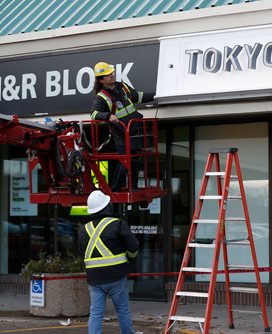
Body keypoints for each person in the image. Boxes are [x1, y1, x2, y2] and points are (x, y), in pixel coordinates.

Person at [78, 190, 139, 334]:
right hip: (117, 276)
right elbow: (134, 246)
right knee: (122, 310)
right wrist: (130, 258)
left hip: (95, 279)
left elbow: (82, 254)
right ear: (107, 206)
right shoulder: (118, 224)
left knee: (96, 313)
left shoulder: (83, 229)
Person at [90, 61, 155, 192]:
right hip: (121, 133)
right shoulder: (101, 97)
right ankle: (115, 189)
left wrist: (157, 95)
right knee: (125, 161)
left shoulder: (122, 86)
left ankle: (134, 187)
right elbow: (94, 114)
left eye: (112, 73)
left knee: (134, 159)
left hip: (133, 130)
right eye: (108, 75)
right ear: (101, 80)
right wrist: (108, 116)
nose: (111, 75)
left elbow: (138, 96)